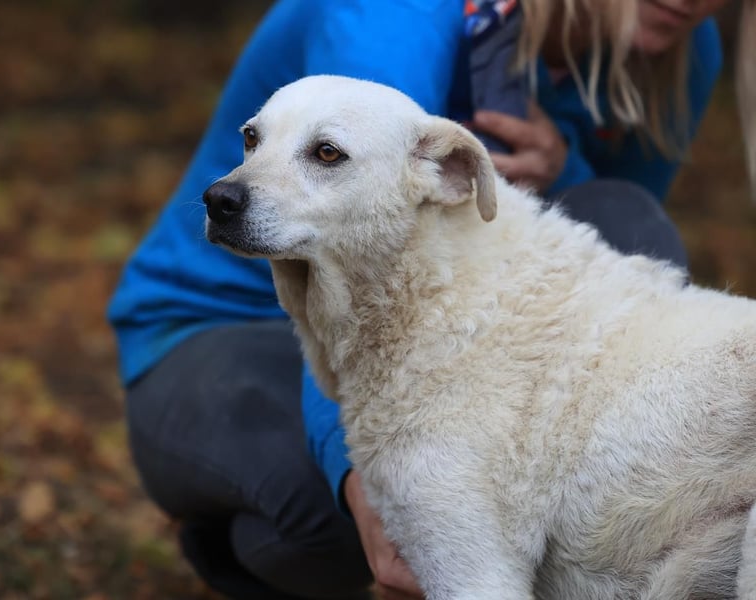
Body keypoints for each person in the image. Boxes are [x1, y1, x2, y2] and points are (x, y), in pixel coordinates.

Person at [108, 1, 752, 598]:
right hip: (221, 321)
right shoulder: (388, 18)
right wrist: (376, 487)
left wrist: (563, 168)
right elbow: (355, 262)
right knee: (336, 512)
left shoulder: (683, 49)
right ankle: (251, 538)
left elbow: (613, 242)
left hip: (420, 317)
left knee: (625, 212)